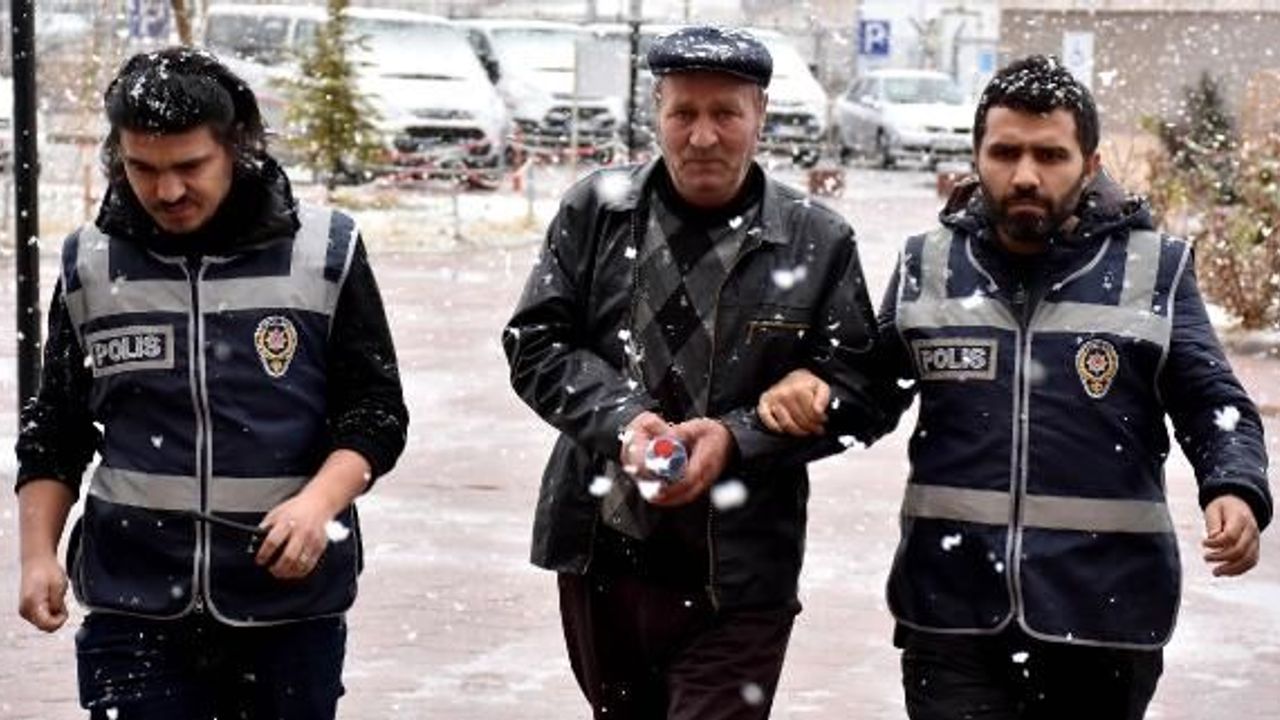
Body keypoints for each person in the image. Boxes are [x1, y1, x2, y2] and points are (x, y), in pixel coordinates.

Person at [759, 54, 1272, 719]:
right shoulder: (929, 264)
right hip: (952, 614)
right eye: (1005, 153)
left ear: (1090, 164)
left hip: (1105, 616)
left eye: (1050, 155)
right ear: (977, 158)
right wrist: (815, 394)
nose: (1025, 174)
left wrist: (1233, 484)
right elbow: (870, 389)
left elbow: (1213, 403)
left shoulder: (1155, 270)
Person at [503, 25, 893, 720]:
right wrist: (626, 425)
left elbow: (865, 388)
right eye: (683, 112)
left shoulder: (816, 239)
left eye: (725, 114)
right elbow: (535, 343)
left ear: (760, 115)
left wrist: (740, 436)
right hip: (604, 555)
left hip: (741, 572)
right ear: (656, 111)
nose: (703, 136)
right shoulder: (597, 212)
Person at [15, 48, 408, 720]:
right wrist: (36, 557)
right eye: (143, 169)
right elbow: (55, 429)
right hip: (132, 606)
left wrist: (317, 506)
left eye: (189, 166)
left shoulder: (325, 251)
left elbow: (375, 413)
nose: (167, 191)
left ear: (235, 147)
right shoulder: (90, 264)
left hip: (286, 612)